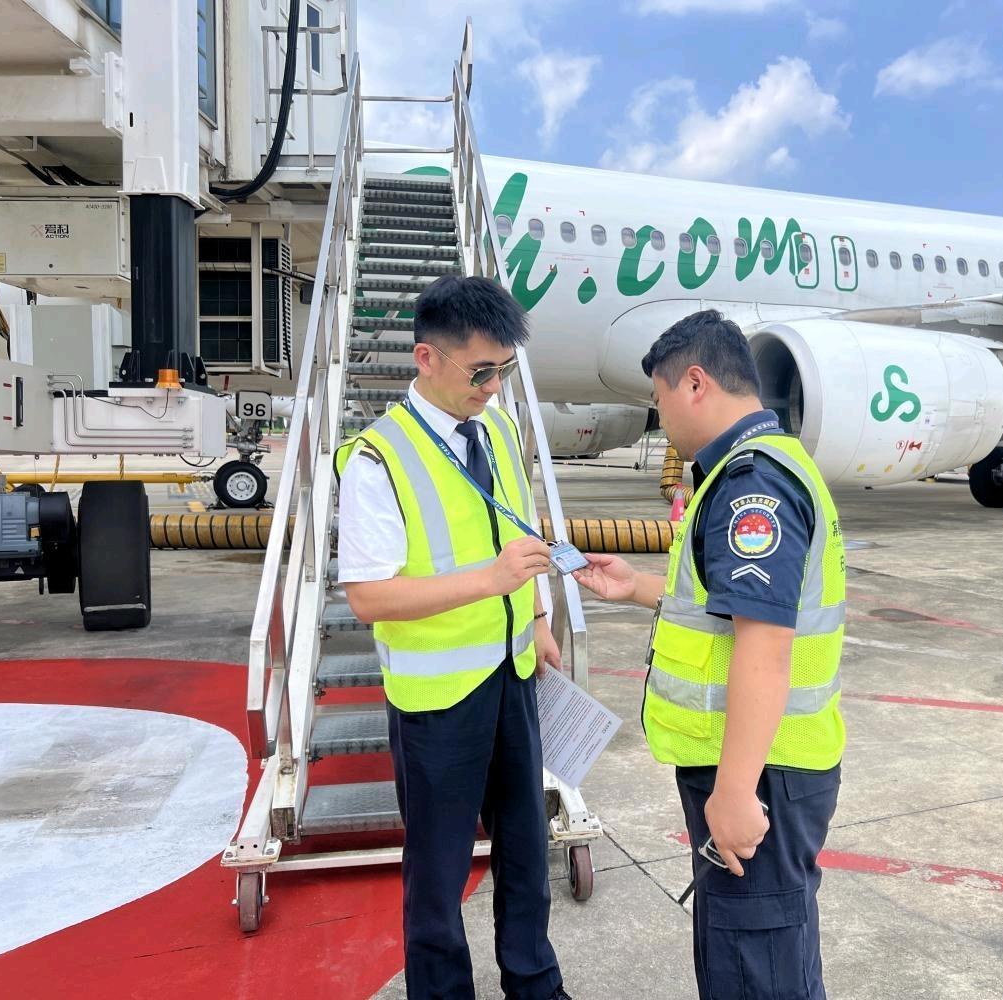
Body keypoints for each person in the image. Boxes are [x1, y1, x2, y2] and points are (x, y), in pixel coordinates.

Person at [573, 310, 845, 1000]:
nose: (661, 419)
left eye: (659, 399)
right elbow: (724, 610)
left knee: (759, 967)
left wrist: (734, 792)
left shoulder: (752, 485)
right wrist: (636, 586)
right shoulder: (745, 469)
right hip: (760, 763)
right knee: (752, 955)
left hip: (761, 771)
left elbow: (765, 648)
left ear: (695, 383)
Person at [334, 275, 571, 1000]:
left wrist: (536, 618)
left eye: (504, 370)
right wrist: (491, 581)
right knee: (438, 872)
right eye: (481, 372)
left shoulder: (498, 429)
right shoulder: (376, 458)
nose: (493, 389)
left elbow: (518, 530)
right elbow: (369, 597)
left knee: (526, 851)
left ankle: (535, 984)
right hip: (438, 698)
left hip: (513, 674)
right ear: (426, 358)